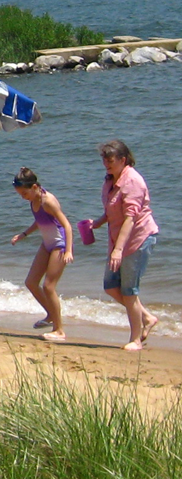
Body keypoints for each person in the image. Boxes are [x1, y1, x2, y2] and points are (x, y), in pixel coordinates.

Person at [89, 140, 160, 351]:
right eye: (104, 160)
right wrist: (98, 223)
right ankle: (147, 318)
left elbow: (130, 218)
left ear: (123, 159)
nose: (106, 164)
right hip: (118, 239)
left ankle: (136, 339)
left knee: (129, 291)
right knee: (111, 286)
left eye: (110, 161)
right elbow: (113, 209)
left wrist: (118, 250)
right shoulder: (111, 179)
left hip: (137, 239)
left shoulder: (132, 182)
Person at [9, 167, 74, 342]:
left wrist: (68, 250)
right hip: (47, 244)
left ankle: (59, 330)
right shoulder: (34, 200)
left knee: (49, 286)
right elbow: (40, 221)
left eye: (24, 193)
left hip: (59, 245)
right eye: (20, 194)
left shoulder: (48, 201)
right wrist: (23, 235)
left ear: (35, 187)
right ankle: (51, 314)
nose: (23, 197)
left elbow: (67, 225)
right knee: (31, 282)